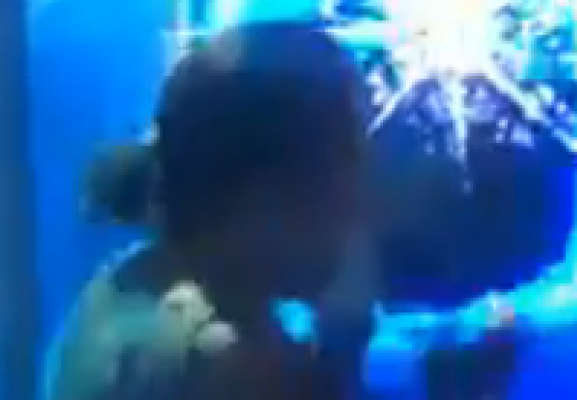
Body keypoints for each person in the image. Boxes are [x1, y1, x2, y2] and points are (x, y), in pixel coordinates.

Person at [44, 21, 368, 400]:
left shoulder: (131, 280)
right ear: (264, 193)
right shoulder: (228, 363)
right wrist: (348, 337)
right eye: (349, 167)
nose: (359, 203)